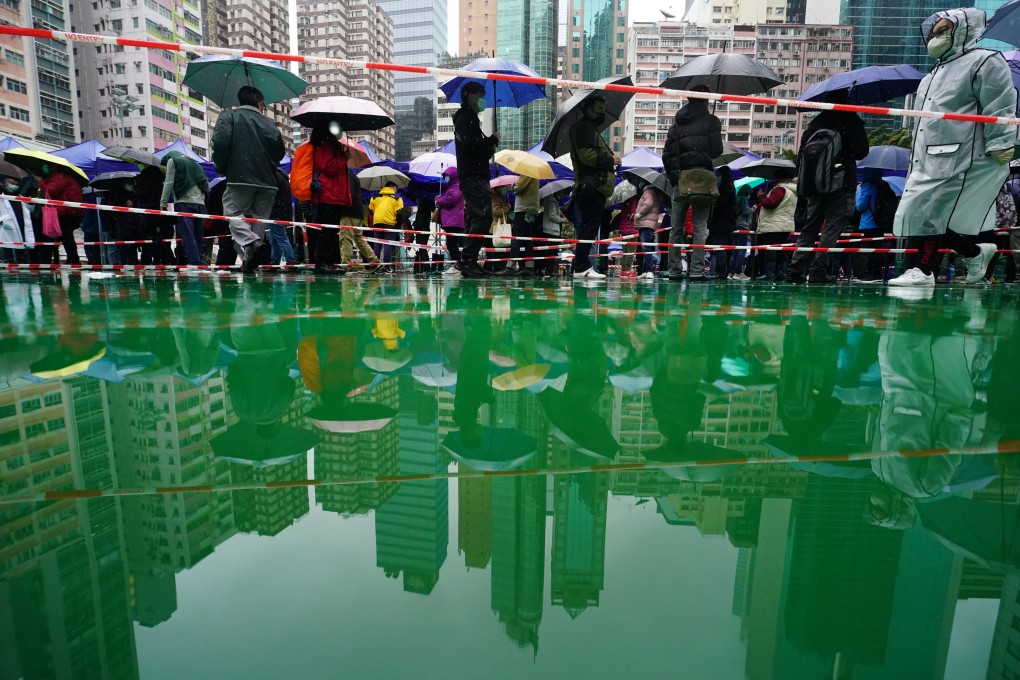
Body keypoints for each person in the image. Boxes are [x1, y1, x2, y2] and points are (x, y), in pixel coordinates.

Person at [889, 8, 1018, 287]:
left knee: (929, 213)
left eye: (943, 30)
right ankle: (973, 253)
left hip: (964, 155)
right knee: (918, 212)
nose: (936, 37)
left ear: (964, 29)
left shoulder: (984, 61)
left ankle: (922, 271)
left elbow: (1000, 104)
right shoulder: (931, 75)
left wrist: (1000, 141)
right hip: (927, 158)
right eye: (934, 32)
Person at [785, 92, 869, 284]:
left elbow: (802, 156)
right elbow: (862, 151)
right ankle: (818, 271)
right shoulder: (851, 121)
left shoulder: (815, 124)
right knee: (832, 228)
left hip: (814, 186)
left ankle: (795, 269)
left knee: (809, 227)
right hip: (842, 182)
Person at [211, 85, 286, 274]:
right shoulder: (270, 125)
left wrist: (221, 166)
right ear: (260, 103)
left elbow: (220, 143)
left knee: (232, 213)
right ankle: (250, 258)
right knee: (258, 221)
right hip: (268, 181)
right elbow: (279, 153)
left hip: (240, 177)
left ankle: (251, 245)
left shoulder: (229, 117)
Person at [662, 86, 724, 282]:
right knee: (700, 227)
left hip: (682, 179)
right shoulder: (712, 121)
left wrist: (675, 177)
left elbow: (667, 155)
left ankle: (674, 270)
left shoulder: (677, 125)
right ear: (707, 99)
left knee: (676, 228)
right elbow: (716, 152)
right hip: (703, 179)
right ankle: (696, 270)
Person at [291, 119, 353, 276]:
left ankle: (328, 262)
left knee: (330, 231)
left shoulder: (329, 145)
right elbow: (329, 167)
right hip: (327, 195)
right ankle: (323, 262)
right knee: (327, 230)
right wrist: (344, 157)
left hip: (331, 196)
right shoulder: (325, 145)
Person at [569, 94, 619, 279]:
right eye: (598, 110)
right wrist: (610, 159)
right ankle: (581, 267)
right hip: (591, 185)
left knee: (588, 228)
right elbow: (587, 156)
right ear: (588, 109)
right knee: (587, 228)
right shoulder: (583, 128)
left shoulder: (589, 129)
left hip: (593, 186)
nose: (602, 114)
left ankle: (581, 266)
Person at [453, 81, 499, 279]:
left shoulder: (470, 119)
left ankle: (469, 261)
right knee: (483, 217)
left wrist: (487, 141)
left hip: (474, 174)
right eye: (481, 95)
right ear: (470, 96)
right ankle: (467, 259)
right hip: (473, 175)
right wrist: (492, 140)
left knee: (475, 218)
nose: (483, 100)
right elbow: (474, 148)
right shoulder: (466, 119)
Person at [159, 150, 210, 266]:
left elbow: (169, 182)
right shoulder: (196, 164)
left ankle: (194, 263)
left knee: (188, 235)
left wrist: (163, 202)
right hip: (201, 203)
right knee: (198, 235)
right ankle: (198, 262)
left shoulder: (173, 161)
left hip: (183, 202)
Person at [753, 170, 798, 280]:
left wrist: (762, 197)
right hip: (784, 224)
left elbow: (770, 203)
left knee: (771, 249)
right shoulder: (791, 190)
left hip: (773, 224)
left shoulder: (780, 189)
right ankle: (782, 273)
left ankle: (769, 274)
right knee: (781, 249)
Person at [36, 164, 84, 265]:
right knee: (65, 236)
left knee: (66, 236)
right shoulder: (63, 177)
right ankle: (71, 258)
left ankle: (73, 259)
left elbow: (51, 190)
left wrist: (40, 181)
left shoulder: (59, 177)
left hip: (64, 212)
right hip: (68, 211)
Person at [851, 168, 891, 284]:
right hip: (881, 222)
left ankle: (866, 273)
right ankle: (877, 273)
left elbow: (861, 206)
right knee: (877, 248)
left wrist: (857, 203)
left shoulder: (867, 185)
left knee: (867, 248)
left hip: (868, 222)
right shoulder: (883, 185)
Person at [339, 168, 381, 272]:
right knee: (359, 239)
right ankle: (374, 260)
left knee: (346, 238)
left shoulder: (346, 176)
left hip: (349, 212)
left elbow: (350, 194)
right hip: (358, 213)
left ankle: (346, 264)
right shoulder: (354, 177)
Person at [134, 165, 175, 265]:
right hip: (161, 211)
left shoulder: (142, 179)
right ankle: (166, 260)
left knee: (148, 241)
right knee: (164, 240)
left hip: (147, 213)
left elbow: (137, 194)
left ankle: (147, 262)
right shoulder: (162, 178)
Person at [507, 174, 540, 276]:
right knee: (527, 239)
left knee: (516, 237)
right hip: (531, 209)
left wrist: (512, 185)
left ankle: (511, 266)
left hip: (523, 208)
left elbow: (518, 188)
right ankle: (529, 267)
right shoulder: (534, 176)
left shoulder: (527, 174)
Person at [708, 166, 736, 278]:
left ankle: (720, 270)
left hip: (721, 223)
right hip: (726, 222)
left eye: (718, 175)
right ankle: (723, 269)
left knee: (720, 247)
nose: (716, 177)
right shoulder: (730, 187)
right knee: (722, 247)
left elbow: (721, 202)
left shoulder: (725, 188)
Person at [436, 166, 465, 276]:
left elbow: (450, 199)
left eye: (447, 176)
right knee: (453, 243)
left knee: (453, 244)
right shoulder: (452, 188)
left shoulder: (456, 187)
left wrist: (439, 201)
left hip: (453, 221)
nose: (445, 179)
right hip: (452, 221)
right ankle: (457, 265)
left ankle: (456, 265)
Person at [368, 181, 404, 267]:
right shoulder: (397, 198)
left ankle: (375, 265)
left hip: (377, 222)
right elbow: (400, 212)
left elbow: (370, 210)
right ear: (391, 186)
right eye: (395, 188)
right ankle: (386, 266)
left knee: (377, 244)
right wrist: (397, 225)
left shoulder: (375, 197)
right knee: (388, 245)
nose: (396, 190)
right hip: (390, 224)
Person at [268, 167, 296, 268]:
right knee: (275, 238)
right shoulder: (282, 176)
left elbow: (270, 194)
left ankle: (290, 261)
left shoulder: (273, 176)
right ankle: (275, 260)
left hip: (276, 211)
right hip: (282, 211)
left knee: (280, 237)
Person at [539, 188, 570, 277]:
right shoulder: (552, 202)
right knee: (552, 251)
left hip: (549, 228)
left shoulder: (550, 201)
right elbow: (552, 216)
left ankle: (548, 269)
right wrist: (563, 219)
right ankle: (549, 270)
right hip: (552, 229)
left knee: (550, 251)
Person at [730, 185, 754, 280]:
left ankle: (731, 272)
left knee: (735, 250)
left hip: (734, 226)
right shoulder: (744, 199)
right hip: (742, 226)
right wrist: (754, 208)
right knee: (742, 250)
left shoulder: (735, 199)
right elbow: (746, 212)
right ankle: (738, 272)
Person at [412, 194, 436, 276]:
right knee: (422, 247)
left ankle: (426, 266)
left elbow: (421, 220)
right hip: (424, 229)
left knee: (422, 248)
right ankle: (424, 266)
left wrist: (416, 225)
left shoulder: (423, 206)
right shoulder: (426, 206)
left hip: (421, 229)